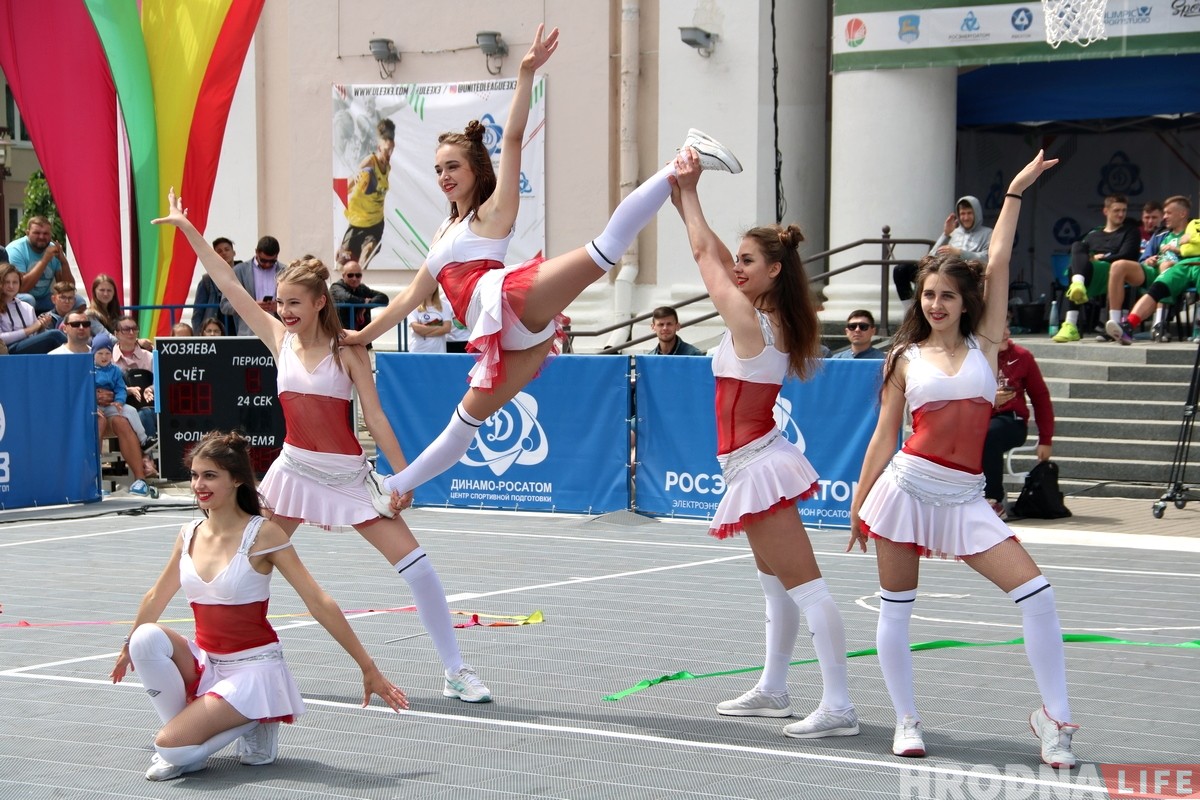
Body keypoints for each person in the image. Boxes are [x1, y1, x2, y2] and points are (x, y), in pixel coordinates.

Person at [342, 26, 742, 497]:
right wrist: (364, 335)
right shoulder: (442, 232)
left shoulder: (493, 213)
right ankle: (394, 488)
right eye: (437, 169)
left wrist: (526, 71)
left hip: (505, 298)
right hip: (497, 334)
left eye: (452, 166)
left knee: (603, 252)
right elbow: (411, 296)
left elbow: (511, 140)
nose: (443, 176)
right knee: (464, 422)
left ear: (475, 170)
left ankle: (684, 159)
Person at [153, 202, 495, 704]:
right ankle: (218, 659)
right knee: (243, 559)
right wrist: (189, 230)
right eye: (279, 303)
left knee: (418, 567)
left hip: (349, 479)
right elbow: (227, 282)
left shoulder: (350, 350)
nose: (283, 312)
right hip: (292, 472)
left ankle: (455, 670)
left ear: (318, 302)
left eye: (293, 303)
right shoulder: (277, 339)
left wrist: (403, 481)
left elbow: (376, 420)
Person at [848, 152, 1079, 769]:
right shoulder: (902, 358)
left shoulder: (987, 343)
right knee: (897, 609)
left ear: (966, 301)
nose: (935, 304)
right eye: (927, 295)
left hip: (965, 497)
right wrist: (858, 499)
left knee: (1037, 594)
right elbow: (882, 437)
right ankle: (905, 718)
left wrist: (1014, 191)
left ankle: (1056, 721)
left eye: (946, 295)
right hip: (903, 489)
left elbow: (998, 259)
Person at [667, 148, 855, 738]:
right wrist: (681, 198)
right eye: (738, 261)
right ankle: (775, 689)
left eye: (749, 261)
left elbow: (705, 257)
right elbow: (717, 253)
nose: (737, 267)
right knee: (775, 585)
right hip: (749, 461)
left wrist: (691, 194)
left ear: (773, 270)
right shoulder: (764, 314)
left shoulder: (752, 324)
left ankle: (841, 706)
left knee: (807, 587)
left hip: (759, 464)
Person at [110, 430, 408, 781]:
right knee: (144, 638)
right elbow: (155, 596)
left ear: (236, 480)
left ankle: (253, 716)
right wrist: (126, 647)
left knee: (169, 747)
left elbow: (318, 601)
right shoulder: (188, 532)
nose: (198, 485)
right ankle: (199, 734)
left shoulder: (263, 534)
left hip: (254, 670)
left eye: (210, 475)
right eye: (194, 475)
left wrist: (367, 666)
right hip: (209, 664)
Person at [1106, 196, 1197, 345]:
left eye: (1168, 213)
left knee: (1166, 267)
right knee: (1118, 266)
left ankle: (1158, 324)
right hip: (1155, 269)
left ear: (1182, 214)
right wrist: (1148, 260)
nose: (1164, 217)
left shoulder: (1193, 232)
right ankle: (1115, 325)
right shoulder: (1161, 234)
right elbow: (1145, 257)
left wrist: (1177, 253)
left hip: (1178, 273)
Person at [987, 315, 1054, 517]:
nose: (1007, 333)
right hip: (978, 418)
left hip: (1011, 420)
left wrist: (1045, 439)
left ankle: (993, 499)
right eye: (1001, 328)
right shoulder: (975, 356)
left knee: (989, 434)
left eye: (1007, 327)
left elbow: (1041, 398)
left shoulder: (1022, 357)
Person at [1054, 194, 1140, 343]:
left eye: (1124, 210)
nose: (1121, 214)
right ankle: (1078, 285)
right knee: (1077, 247)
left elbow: (1129, 255)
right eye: (1116, 210)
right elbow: (1077, 253)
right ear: (1105, 211)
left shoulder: (1130, 231)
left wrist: (1101, 258)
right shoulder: (1093, 234)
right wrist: (1090, 259)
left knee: (1075, 271)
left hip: (1112, 271)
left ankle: (1071, 323)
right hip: (1091, 272)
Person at [892, 196, 992, 307]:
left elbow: (987, 258)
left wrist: (960, 253)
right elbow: (931, 257)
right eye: (962, 214)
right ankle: (909, 310)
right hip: (944, 271)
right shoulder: (955, 232)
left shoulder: (987, 233)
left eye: (969, 213)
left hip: (967, 275)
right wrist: (945, 234)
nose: (966, 217)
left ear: (977, 214)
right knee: (901, 270)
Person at [91, 332, 152, 496]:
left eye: (107, 353)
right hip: (94, 409)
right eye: (100, 353)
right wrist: (92, 401)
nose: (104, 357)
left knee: (128, 414)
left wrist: (118, 400)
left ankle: (144, 440)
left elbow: (120, 388)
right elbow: (83, 390)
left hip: (112, 406)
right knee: (99, 421)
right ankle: (94, 481)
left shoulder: (115, 370)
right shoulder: (88, 369)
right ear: (93, 354)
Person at [340, 119, 395, 267]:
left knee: (367, 253)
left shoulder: (387, 167)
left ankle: (361, 282)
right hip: (357, 222)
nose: (389, 154)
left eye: (391, 150)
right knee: (342, 266)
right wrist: (356, 177)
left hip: (376, 223)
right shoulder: (369, 162)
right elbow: (347, 185)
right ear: (379, 146)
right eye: (386, 150)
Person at [6, 216, 77, 312]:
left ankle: (60, 324)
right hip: (18, 297)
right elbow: (21, 288)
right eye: (37, 233)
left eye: (46, 233)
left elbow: (68, 288)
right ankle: (31, 327)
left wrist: (64, 262)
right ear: (27, 233)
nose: (41, 237)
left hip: (44, 298)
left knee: (78, 301)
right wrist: (44, 260)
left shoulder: (54, 249)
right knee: (28, 299)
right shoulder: (16, 250)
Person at [0, 262, 68, 354]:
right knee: (54, 335)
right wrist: (31, 329)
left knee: (54, 339)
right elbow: (1, 338)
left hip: (27, 349)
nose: (11, 286)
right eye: (7, 282)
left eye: (15, 282)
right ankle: (83, 356)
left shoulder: (27, 307)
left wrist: (41, 328)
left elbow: (34, 337)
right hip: (8, 350)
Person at [221, 236, 282, 335]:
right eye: (263, 260)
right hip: (249, 333)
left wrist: (280, 307)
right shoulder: (239, 271)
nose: (267, 264)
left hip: (279, 333)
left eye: (272, 261)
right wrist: (251, 306)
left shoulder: (285, 271)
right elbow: (225, 305)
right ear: (256, 252)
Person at [113, 314, 158, 443]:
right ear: (116, 334)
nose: (131, 332)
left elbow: (160, 382)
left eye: (134, 328)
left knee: (146, 414)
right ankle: (148, 455)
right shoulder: (108, 358)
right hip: (122, 408)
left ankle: (147, 454)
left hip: (150, 406)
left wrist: (151, 389)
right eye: (126, 329)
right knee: (140, 415)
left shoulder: (150, 357)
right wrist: (126, 390)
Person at [331, 260, 388, 332]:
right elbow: (348, 298)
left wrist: (365, 306)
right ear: (343, 276)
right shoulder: (336, 287)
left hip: (362, 336)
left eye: (358, 275)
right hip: (342, 336)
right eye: (350, 275)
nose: (354, 279)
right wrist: (364, 302)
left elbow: (383, 297)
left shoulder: (362, 288)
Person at [191, 236, 233, 331]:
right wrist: (199, 336)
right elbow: (198, 312)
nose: (224, 253)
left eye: (227, 249)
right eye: (219, 251)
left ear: (234, 252)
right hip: (214, 332)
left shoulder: (242, 275)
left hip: (236, 329)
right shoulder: (207, 281)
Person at [407, 287, 451, 353]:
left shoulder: (445, 306)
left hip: (438, 352)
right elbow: (416, 328)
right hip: (418, 351)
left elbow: (446, 328)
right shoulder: (413, 305)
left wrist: (424, 332)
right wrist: (439, 328)